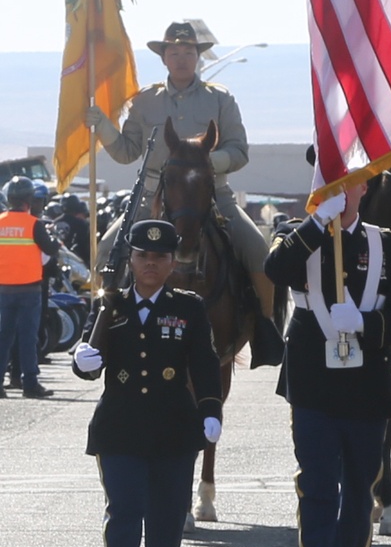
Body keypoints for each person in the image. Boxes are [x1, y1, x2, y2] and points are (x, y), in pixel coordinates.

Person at [265, 183, 391, 547]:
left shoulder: (385, 244)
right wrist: (317, 224)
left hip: (365, 385)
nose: (338, 188)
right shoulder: (294, 232)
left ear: (364, 186)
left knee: (358, 491)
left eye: (347, 180)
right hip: (312, 383)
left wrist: (371, 324)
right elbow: (276, 269)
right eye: (327, 179)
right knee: (316, 484)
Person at [72, 220, 223, 547]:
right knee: (123, 509)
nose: (150, 264)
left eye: (159, 257)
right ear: (131, 260)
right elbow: (88, 356)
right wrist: (81, 360)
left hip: (173, 427)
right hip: (119, 428)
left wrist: (211, 409)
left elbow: (206, 363)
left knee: (168, 513)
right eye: (142, 256)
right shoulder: (110, 304)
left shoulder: (188, 306)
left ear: (173, 262)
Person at [85, 21, 274, 326]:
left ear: (198, 56)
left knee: (258, 250)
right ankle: (103, 325)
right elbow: (126, 153)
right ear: (164, 58)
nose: (182, 58)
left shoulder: (220, 98)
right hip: (152, 199)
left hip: (211, 196)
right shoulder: (145, 99)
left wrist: (205, 164)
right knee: (106, 248)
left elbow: (239, 151)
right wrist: (104, 127)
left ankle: (265, 327)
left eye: (188, 51)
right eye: (174, 52)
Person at [0, 176, 59, 399]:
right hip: (29, 290)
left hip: (3, 289)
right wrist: (55, 239)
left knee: (3, 337)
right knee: (27, 338)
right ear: (29, 199)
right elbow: (51, 250)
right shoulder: (34, 224)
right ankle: (30, 384)